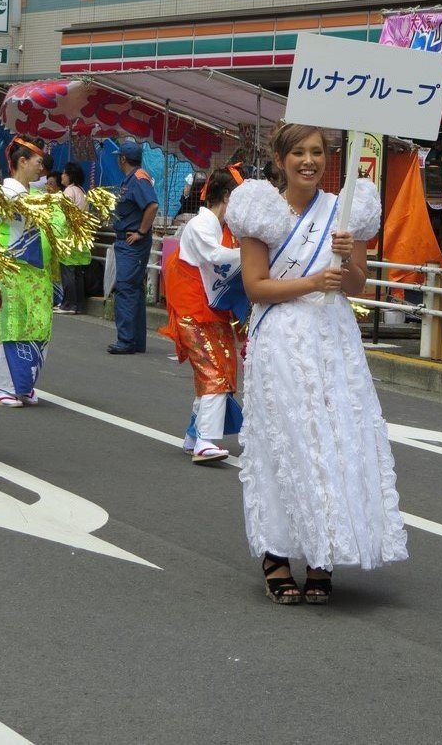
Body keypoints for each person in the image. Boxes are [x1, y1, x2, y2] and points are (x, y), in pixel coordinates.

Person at [226, 122, 408, 605]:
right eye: (299, 153)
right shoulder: (260, 207)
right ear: (281, 159)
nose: (309, 161)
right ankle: (277, 554)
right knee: (287, 443)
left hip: (333, 340)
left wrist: (347, 262)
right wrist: (312, 283)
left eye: (318, 153)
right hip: (282, 341)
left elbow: (355, 286)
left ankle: (322, 553)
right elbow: (256, 287)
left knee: (335, 439)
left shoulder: (346, 209)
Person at [160, 169, 249, 463]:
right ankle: (205, 441)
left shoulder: (219, 227)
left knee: (220, 367)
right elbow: (214, 257)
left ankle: (194, 435)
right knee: (214, 371)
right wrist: (252, 256)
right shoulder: (201, 225)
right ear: (226, 197)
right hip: (195, 312)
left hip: (209, 310)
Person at [0, 135, 54, 407]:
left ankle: (24, 384)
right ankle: (3, 387)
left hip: (36, 272)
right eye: (39, 162)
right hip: (13, 268)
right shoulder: (5, 192)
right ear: (22, 161)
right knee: (12, 326)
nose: (42, 168)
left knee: (38, 325)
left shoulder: (32, 194)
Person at [108, 141, 158, 355]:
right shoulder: (132, 179)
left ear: (123, 159)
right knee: (133, 290)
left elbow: (152, 205)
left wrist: (141, 232)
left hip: (132, 243)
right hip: (126, 242)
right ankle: (135, 340)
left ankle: (126, 340)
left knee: (126, 288)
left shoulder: (138, 179)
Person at [54, 161, 91, 315]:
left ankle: (68, 304)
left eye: (64, 173)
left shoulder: (69, 191)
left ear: (69, 176)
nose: (61, 175)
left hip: (68, 236)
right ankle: (78, 305)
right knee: (77, 271)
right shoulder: (82, 191)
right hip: (80, 235)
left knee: (67, 269)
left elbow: (65, 214)